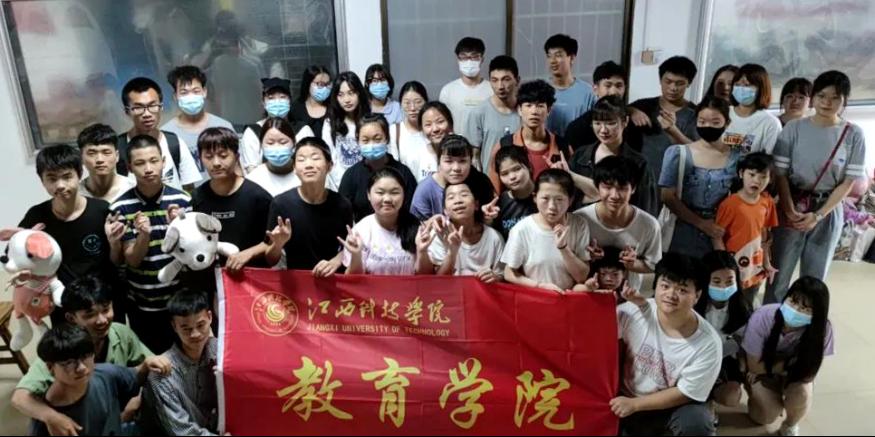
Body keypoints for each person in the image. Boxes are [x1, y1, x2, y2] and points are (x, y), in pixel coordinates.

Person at [12, 276, 165, 437]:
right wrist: (53, 417)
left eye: (106, 310)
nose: (102, 320)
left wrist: (137, 400)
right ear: (71, 318)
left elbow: (145, 368)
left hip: (115, 414)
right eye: (89, 315)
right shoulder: (60, 349)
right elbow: (20, 397)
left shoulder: (120, 332)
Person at [766, 71, 867, 304]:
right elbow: (780, 174)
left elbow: (848, 182)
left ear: (845, 101)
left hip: (828, 210)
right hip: (792, 205)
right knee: (777, 275)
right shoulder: (794, 128)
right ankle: (769, 320)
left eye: (835, 98)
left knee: (814, 278)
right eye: (821, 96)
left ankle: (805, 321)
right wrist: (789, 209)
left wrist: (819, 215)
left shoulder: (853, 134)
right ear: (813, 98)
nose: (827, 103)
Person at [612, 253, 722, 436]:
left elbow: (685, 393)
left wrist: (635, 405)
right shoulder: (632, 311)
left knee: (697, 422)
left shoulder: (708, 343)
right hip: (623, 397)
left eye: (682, 290)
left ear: (697, 295)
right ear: (655, 286)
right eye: (665, 286)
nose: (671, 295)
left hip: (669, 407)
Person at [110, 135, 192, 353]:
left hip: (179, 301)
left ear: (163, 162)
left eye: (153, 161)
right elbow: (132, 260)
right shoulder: (120, 207)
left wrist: (178, 229)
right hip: (142, 305)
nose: (148, 169)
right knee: (153, 362)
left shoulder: (183, 201)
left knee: (186, 356)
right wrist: (143, 236)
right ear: (129, 167)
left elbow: (192, 256)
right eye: (140, 163)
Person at [19, 145, 119, 319]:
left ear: (79, 174)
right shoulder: (36, 216)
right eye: (51, 179)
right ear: (42, 181)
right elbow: (15, 252)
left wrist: (115, 243)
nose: (60, 185)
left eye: (67, 177)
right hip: (62, 304)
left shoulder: (102, 210)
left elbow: (117, 260)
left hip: (101, 303)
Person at [28, 325, 158, 437]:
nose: (81, 368)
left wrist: (148, 363)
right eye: (68, 363)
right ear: (50, 367)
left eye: (85, 357)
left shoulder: (105, 374)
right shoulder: (46, 422)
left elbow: (137, 375)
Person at [742, 277, 834, 436]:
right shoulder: (763, 316)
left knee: (802, 393)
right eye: (793, 301)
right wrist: (792, 364)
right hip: (766, 372)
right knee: (764, 416)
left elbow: (810, 370)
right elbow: (755, 366)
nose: (796, 310)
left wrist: (776, 367)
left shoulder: (823, 329)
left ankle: (790, 425)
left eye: (806, 308)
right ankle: (760, 395)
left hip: (789, 373)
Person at [660, 96, 741, 258]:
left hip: (719, 232)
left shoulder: (737, 156)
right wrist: (702, 224)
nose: (707, 126)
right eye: (702, 121)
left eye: (715, 122)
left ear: (727, 123)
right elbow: (667, 197)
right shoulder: (678, 153)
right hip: (681, 230)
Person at [264, 137, 353, 276]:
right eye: (301, 160)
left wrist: (335, 262)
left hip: (332, 279)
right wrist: (278, 244)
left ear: (329, 165)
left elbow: (349, 248)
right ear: (294, 168)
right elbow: (270, 260)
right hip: (297, 282)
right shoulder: (280, 203)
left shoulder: (343, 204)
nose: (308, 165)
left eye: (315, 158)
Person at [191, 127, 273, 271]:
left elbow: (272, 242)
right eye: (209, 157)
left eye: (223, 156)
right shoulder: (197, 197)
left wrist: (247, 254)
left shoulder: (258, 197)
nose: (216, 163)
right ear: (200, 159)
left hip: (251, 276)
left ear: (237, 156)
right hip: (210, 277)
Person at [575, 156, 662, 291]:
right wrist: (586, 257)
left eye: (622, 188)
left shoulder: (649, 225)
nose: (614, 195)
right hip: (586, 293)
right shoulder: (580, 219)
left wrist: (632, 264)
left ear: (633, 189)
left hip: (627, 295)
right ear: (597, 187)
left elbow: (652, 265)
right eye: (607, 187)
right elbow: (567, 260)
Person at [141, 290, 221, 436]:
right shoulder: (161, 375)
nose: (195, 334)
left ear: (210, 317)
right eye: (186, 329)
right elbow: (181, 431)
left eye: (200, 325)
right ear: (174, 326)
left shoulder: (224, 353)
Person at [501, 169, 590, 292]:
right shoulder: (521, 229)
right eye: (545, 198)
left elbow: (581, 277)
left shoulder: (579, 225)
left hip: (569, 298)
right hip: (536, 297)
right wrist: (539, 286)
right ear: (535, 197)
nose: (552, 206)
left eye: (559, 199)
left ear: (570, 200)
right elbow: (509, 273)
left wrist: (563, 248)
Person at [568, 96, 659, 217]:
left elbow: (646, 211)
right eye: (597, 123)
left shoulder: (638, 163)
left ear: (625, 122)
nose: (603, 130)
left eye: (611, 123)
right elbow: (569, 200)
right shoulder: (580, 156)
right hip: (582, 224)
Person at [713, 152, 779, 304]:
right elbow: (716, 236)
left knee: (748, 304)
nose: (756, 180)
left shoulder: (767, 202)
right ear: (741, 173)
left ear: (770, 179)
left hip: (755, 268)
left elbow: (764, 235)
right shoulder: (730, 204)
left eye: (763, 177)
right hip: (733, 268)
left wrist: (767, 263)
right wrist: (725, 266)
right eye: (752, 174)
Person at [117, 77, 202, 191]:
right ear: (127, 111)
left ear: (161, 107)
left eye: (152, 106)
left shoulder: (174, 143)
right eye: (138, 107)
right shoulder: (117, 148)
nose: (147, 114)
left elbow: (189, 189)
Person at [487, 79, 570, 193]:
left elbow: (572, 189)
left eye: (540, 106)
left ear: (549, 110)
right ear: (519, 110)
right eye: (528, 105)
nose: (534, 111)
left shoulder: (562, 147)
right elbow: (495, 192)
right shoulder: (505, 145)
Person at [340, 168, 427, 275]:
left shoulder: (416, 227)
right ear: (368, 195)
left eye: (394, 193)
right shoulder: (360, 231)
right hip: (371, 287)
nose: (387, 199)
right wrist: (356, 255)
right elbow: (352, 278)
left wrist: (422, 251)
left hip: (409, 286)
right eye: (380, 193)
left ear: (404, 195)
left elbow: (426, 276)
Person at [695, 251, 752, 411]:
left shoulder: (742, 307)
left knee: (731, 396)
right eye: (716, 281)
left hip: (725, 359)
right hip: (695, 357)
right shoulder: (693, 303)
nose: (723, 287)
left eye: (729, 281)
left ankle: (711, 396)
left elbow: (742, 342)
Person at [629, 56, 700, 181]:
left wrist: (673, 131)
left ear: (689, 83)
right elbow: (615, 110)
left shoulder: (696, 114)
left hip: (677, 182)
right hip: (641, 178)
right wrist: (631, 111)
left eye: (680, 83)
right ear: (660, 80)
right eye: (668, 81)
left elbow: (700, 152)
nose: (673, 88)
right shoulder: (643, 106)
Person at [339, 114, 418, 222]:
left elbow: (412, 213)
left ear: (387, 138)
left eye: (377, 139)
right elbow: (342, 213)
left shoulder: (403, 173)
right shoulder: (351, 175)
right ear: (358, 141)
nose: (371, 145)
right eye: (365, 140)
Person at [161, 65, 235, 178]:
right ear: (175, 96)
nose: (191, 97)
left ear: (204, 92)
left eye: (196, 91)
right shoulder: (166, 134)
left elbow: (236, 167)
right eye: (184, 92)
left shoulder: (223, 126)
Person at [425, 182, 504, 283]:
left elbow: (501, 276)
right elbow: (439, 282)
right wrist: (452, 252)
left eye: (464, 195)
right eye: (451, 197)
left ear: (476, 205)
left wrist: (495, 277)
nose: (458, 201)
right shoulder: (439, 235)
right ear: (445, 211)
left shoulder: (494, 237)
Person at [410, 134, 495, 222]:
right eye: (449, 161)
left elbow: (491, 221)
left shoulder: (481, 182)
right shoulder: (425, 189)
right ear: (439, 162)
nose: (456, 168)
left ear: (471, 161)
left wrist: (487, 217)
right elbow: (416, 225)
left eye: (462, 161)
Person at [240, 77, 316, 173]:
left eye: (282, 97)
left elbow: (310, 165)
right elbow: (251, 170)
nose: (277, 102)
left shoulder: (303, 130)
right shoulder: (253, 132)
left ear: (289, 101)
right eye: (271, 98)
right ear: (263, 102)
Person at [565, 60, 642, 152]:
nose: (613, 92)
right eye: (608, 86)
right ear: (595, 89)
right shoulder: (578, 128)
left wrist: (632, 110)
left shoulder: (633, 125)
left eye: (619, 86)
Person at [465, 55, 521, 171]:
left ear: (517, 80)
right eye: (494, 80)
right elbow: (474, 157)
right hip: (490, 178)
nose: (500, 86)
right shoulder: (478, 113)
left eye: (506, 79)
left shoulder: (526, 111)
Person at [322, 71, 371, 189]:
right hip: (340, 184)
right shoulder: (329, 123)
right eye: (341, 95)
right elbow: (330, 157)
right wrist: (344, 184)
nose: (347, 99)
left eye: (351, 93)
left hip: (367, 182)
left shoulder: (370, 120)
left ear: (359, 93)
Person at [439, 37, 493, 142]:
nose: (469, 61)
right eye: (464, 57)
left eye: (474, 57)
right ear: (458, 60)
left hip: (486, 146)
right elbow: (442, 122)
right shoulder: (448, 91)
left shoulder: (492, 89)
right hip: (456, 146)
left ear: (482, 59)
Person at [543, 34, 597, 137]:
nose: (553, 61)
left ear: (571, 58)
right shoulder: (540, 90)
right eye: (549, 56)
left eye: (558, 55)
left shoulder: (588, 93)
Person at [722, 64, 782, 154]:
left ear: (761, 89)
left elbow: (770, 158)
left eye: (747, 85)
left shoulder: (770, 123)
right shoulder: (722, 113)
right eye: (737, 84)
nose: (741, 89)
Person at [246, 117, 314, 196]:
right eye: (270, 143)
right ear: (261, 146)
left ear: (294, 144)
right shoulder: (253, 180)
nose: (276, 148)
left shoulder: (308, 175)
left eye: (283, 142)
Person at [483, 146, 537, 240]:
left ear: (528, 166)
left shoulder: (544, 194)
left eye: (517, 169)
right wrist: (488, 221)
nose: (512, 177)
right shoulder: (499, 204)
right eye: (504, 174)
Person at [77, 123, 135, 203]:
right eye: (92, 153)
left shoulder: (133, 189)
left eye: (106, 152)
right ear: (81, 157)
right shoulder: (75, 194)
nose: (100, 159)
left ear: (117, 156)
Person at [390, 81, 432, 182]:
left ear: (426, 102)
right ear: (401, 104)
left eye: (418, 102)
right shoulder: (394, 131)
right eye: (407, 103)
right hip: (406, 186)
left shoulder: (433, 130)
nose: (412, 108)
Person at [407, 101, 451, 184]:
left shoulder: (462, 150)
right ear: (422, 129)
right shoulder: (415, 157)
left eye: (440, 122)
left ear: (450, 123)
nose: (435, 129)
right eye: (428, 124)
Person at [291, 65, 332, 136]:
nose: (325, 88)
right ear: (308, 84)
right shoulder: (296, 108)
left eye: (328, 84)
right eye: (320, 84)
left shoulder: (334, 107)